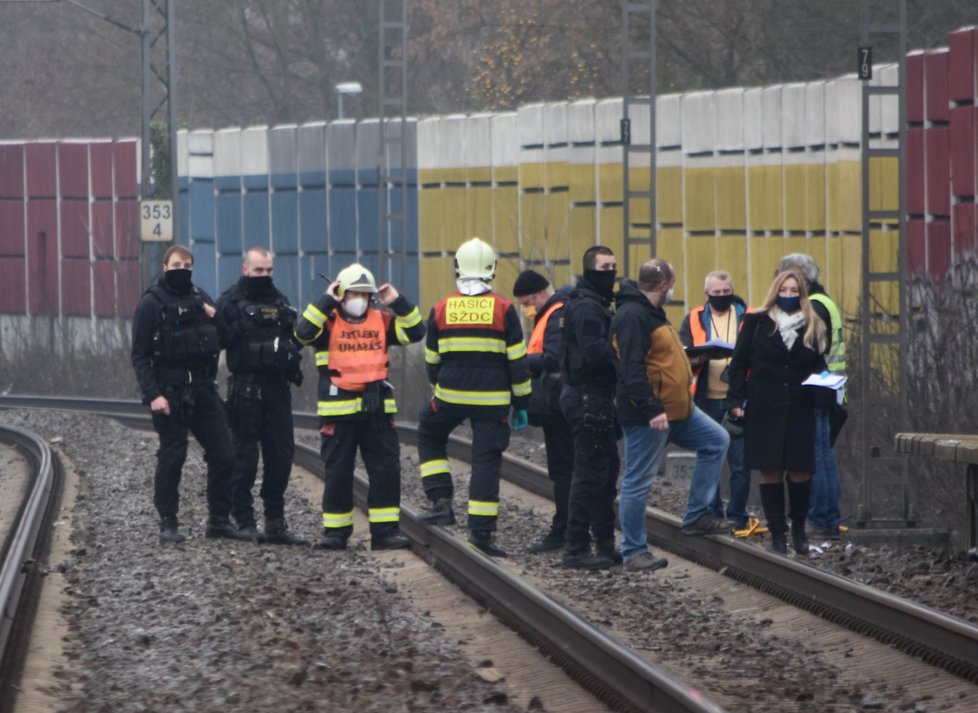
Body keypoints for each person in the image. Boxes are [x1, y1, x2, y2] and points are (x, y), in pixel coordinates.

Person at [294, 262, 425, 551]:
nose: (360, 300)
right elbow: (301, 333)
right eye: (354, 294)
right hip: (338, 413)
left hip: (377, 411)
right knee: (338, 473)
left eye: (365, 295)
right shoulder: (326, 323)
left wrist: (398, 301)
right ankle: (336, 534)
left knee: (386, 472)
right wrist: (326, 300)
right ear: (341, 294)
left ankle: (384, 533)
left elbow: (417, 331)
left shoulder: (383, 320)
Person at [612, 259, 730, 572]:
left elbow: (658, 360)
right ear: (664, 285)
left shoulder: (649, 312)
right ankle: (634, 551)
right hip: (650, 415)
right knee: (637, 481)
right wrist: (651, 409)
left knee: (716, 440)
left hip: (679, 410)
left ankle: (696, 515)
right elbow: (631, 369)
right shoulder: (633, 315)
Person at [417, 238, 531, 558]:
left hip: (450, 397)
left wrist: (440, 388)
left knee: (428, 431)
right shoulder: (505, 309)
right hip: (493, 403)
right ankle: (480, 532)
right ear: (492, 270)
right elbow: (517, 364)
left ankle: (441, 502)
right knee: (486, 461)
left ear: (457, 268)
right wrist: (521, 403)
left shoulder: (440, 309)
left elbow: (432, 361)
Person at [131, 244, 250, 544]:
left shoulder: (202, 298)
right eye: (176, 264)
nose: (181, 268)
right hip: (169, 392)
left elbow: (225, 339)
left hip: (203, 389)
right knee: (173, 456)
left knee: (225, 455)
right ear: (165, 266)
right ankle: (168, 523)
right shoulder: (151, 303)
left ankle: (219, 521)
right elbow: (140, 355)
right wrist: (153, 395)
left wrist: (215, 316)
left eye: (187, 264)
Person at [726, 270, 828, 555]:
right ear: (775, 292)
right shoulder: (757, 323)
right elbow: (738, 364)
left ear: (802, 294)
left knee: (799, 471)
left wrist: (825, 392)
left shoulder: (812, 324)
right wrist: (736, 400)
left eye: (794, 290)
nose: (788, 295)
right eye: (783, 290)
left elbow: (819, 365)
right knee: (769, 470)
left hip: (799, 406)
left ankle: (798, 530)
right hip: (764, 407)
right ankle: (777, 534)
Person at [216, 247, 305, 545]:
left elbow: (294, 339)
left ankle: (275, 523)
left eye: (268, 271)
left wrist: (291, 360)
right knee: (244, 460)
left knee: (281, 457)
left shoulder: (281, 301)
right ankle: (244, 521)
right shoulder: (229, 302)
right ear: (245, 269)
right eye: (258, 271)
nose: (264, 276)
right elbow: (220, 342)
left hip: (277, 390)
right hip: (245, 390)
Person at [557, 245, 622, 570]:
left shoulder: (594, 305)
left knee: (606, 471)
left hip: (595, 398)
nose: (610, 272)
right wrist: (625, 360)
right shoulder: (587, 309)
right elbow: (596, 353)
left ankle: (605, 543)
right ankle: (576, 547)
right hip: (587, 398)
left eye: (613, 266)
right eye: (604, 267)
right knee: (588, 475)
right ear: (590, 271)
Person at [776, 253, 846, 539]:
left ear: (799, 277)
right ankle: (829, 517)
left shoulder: (813, 307)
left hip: (815, 390)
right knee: (825, 456)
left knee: (814, 456)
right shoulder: (827, 301)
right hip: (831, 389)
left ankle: (818, 518)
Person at [678, 270, 752, 530]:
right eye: (716, 293)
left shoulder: (748, 317)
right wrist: (698, 357)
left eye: (725, 292)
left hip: (738, 400)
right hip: (705, 399)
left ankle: (737, 514)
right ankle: (712, 512)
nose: (722, 296)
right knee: (708, 457)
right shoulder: (694, 318)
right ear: (707, 294)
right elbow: (682, 352)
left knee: (740, 463)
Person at [512, 269, 573, 553]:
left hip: (560, 406)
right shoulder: (548, 314)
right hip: (556, 403)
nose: (526, 308)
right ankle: (568, 528)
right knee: (563, 470)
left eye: (527, 302)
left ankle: (565, 531)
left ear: (539, 293)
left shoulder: (557, 313)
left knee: (564, 470)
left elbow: (552, 358)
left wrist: (521, 361)